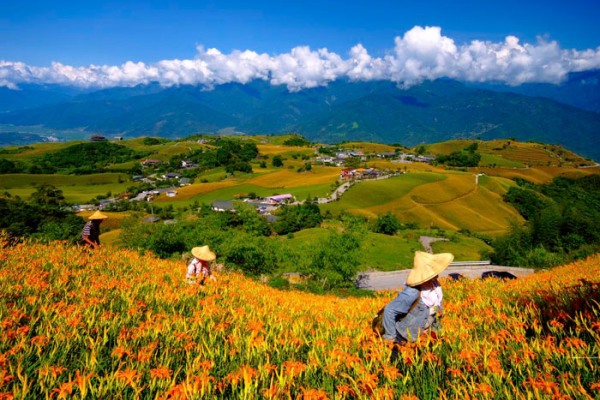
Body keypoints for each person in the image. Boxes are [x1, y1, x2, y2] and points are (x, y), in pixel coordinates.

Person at [374, 251, 454, 345]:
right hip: (403, 337)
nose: (438, 274)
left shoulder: (435, 287)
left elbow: (435, 312)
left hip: (421, 337)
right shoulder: (413, 292)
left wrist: (438, 332)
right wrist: (391, 338)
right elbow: (389, 310)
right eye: (433, 272)